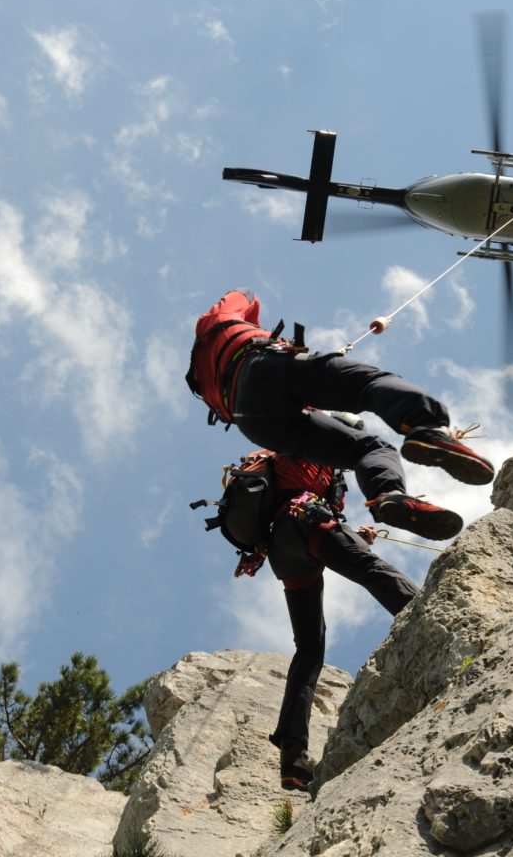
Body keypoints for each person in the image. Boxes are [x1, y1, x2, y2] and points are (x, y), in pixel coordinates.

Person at [186, 287, 495, 541]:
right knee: (367, 384)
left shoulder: (204, 384)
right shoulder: (214, 319)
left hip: (253, 422)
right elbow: (247, 295)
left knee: (369, 449)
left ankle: (389, 496)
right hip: (262, 365)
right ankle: (428, 428)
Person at [233, 449, 419, 792]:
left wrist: (356, 538)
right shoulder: (308, 450)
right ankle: (428, 613)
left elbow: (331, 535)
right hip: (308, 523)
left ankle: (293, 756)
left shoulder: (289, 459)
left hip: (284, 548)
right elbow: (325, 526)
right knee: (373, 570)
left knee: (309, 647)